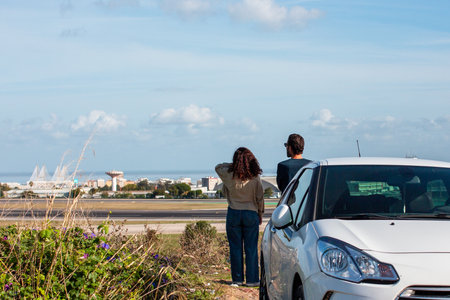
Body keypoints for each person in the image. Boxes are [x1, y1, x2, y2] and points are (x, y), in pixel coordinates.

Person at [215, 147, 264, 287]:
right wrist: (260, 213)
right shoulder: (255, 177)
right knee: (251, 248)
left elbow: (218, 167)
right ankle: (252, 279)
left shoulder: (229, 175)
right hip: (251, 212)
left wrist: (235, 164)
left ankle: (237, 279)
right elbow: (260, 198)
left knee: (235, 248)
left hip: (234, 212)